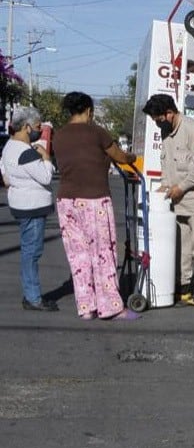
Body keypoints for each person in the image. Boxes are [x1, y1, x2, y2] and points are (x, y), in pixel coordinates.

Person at [53, 92, 140, 321]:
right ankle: (111, 306)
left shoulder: (58, 136)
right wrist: (132, 157)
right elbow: (119, 156)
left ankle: (86, 308)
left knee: (78, 256)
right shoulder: (96, 132)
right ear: (89, 110)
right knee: (103, 253)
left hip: (66, 201)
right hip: (94, 200)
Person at [141, 94, 194, 306]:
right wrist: (166, 184)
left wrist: (181, 187)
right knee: (180, 246)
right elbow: (166, 163)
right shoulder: (166, 132)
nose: (157, 124)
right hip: (175, 200)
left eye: (158, 119)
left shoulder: (193, 130)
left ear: (169, 113)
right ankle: (182, 285)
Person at [1, 106, 58, 311]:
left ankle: (31, 295)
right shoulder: (26, 153)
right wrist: (46, 156)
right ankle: (33, 298)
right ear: (26, 127)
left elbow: (6, 178)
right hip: (32, 207)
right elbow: (46, 176)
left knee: (28, 251)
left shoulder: (9, 147)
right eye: (37, 127)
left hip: (20, 203)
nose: (39, 130)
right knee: (32, 253)